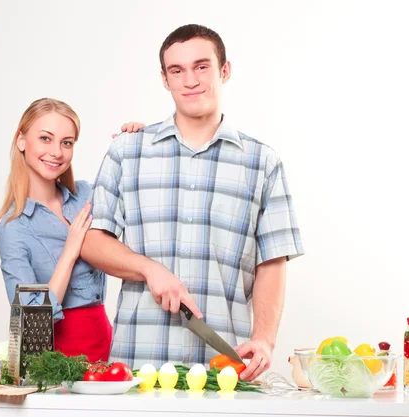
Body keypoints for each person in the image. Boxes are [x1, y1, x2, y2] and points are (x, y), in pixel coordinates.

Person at [81, 24, 304, 380]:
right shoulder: (127, 151)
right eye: (177, 70)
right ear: (165, 80)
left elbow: (273, 261)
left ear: (224, 70)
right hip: (138, 366)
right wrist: (150, 270)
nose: (190, 80)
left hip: (224, 372)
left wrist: (264, 339)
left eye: (202, 67)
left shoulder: (263, 162)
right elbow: (92, 241)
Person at [0, 98, 143, 363]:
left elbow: (141, 204)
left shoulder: (86, 195)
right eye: (45, 139)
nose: (57, 152)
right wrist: (71, 251)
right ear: (22, 141)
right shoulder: (12, 227)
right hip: (55, 360)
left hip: (107, 345)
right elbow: (30, 321)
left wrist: (137, 147)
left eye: (67, 142)